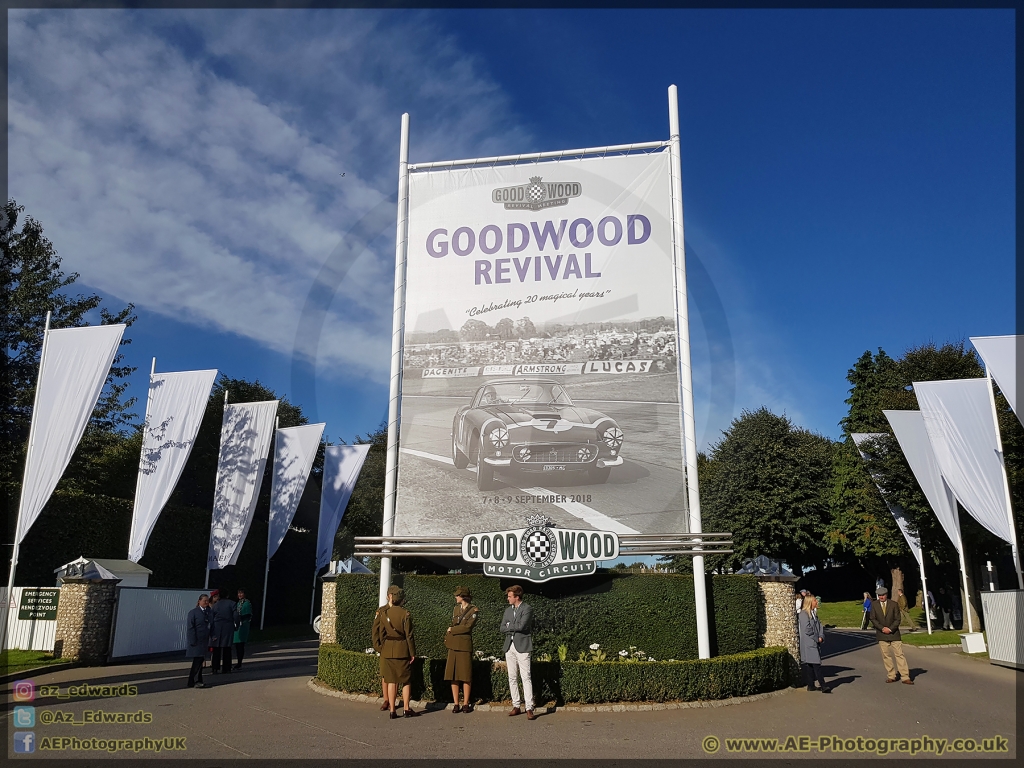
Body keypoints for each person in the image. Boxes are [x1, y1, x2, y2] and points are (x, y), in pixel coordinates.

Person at [379, 585, 418, 719]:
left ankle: (392, 710)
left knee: (391, 681)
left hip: (388, 649)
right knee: (406, 680)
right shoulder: (405, 614)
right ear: (401, 599)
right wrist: (412, 652)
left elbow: (381, 634)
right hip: (402, 649)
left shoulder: (384, 614)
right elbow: (409, 636)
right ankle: (406, 709)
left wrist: (384, 647)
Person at [501, 585, 535, 720]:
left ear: (517, 597)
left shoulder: (527, 608)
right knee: (512, 677)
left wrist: (510, 626)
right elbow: (502, 627)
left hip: (523, 646)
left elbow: (522, 626)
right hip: (509, 646)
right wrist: (510, 626)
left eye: (509, 596)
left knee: (525, 677)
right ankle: (516, 705)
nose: (508, 598)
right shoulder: (507, 611)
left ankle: (529, 707)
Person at [445, 586, 479, 713]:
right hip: (453, 644)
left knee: (465, 675)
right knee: (453, 675)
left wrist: (452, 630)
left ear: (463, 596)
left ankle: (465, 703)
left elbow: (467, 627)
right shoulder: (456, 609)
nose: (455, 597)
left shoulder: (473, 610)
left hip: (464, 645)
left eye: (457, 595)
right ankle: (456, 703)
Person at [869, 586, 912, 685]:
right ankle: (891, 675)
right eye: (879, 596)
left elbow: (897, 619)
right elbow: (873, 618)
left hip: (894, 634)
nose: (881, 597)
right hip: (881, 634)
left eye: (883, 595)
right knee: (886, 656)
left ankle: (905, 676)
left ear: (886, 595)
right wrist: (882, 628)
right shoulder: (874, 605)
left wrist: (890, 629)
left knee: (899, 655)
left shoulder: (894, 604)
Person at [798, 596, 830, 693]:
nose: (817, 602)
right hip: (809, 643)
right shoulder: (803, 614)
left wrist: (821, 636)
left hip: (814, 642)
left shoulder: (814, 613)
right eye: (815, 600)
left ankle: (810, 685)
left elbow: (819, 626)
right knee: (816, 664)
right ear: (810, 602)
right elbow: (807, 629)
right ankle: (823, 685)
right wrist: (816, 638)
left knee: (810, 665)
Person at [209, 590, 239, 674]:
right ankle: (226, 668)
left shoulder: (216, 605)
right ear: (228, 595)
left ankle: (215, 668)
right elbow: (236, 615)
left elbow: (211, 616)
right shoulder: (232, 603)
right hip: (228, 626)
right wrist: (236, 625)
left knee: (216, 648)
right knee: (227, 648)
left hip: (217, 626)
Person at [185, 594, 211, 688]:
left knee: (200, 660)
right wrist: (192, 640)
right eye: (205, 601)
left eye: (208, 601)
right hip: (196, 640)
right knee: (198, 660)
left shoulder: (209, 612)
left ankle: (196, 680)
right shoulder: (193, 612)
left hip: (205, 640)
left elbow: (212, 624)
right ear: (199, 601)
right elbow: (190, 627)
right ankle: (194, 680)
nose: (206, 603)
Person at [371, 603, 389, 711]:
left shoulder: (401, 610)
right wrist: (377, 646)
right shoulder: (381, 611)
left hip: (396, 648)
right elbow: (375, 629)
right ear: (388, 597)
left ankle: (391, 699)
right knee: (385, 674)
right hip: (385, 647)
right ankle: (386, 700)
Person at [233, 588, 253, 669]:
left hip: (243, 625)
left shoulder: (247, 603)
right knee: (237, 645)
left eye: (241, 593)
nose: (239, 595)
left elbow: (248, 614)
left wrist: (239, 618)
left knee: (241, 645)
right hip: (237, 626)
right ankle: (238, 661)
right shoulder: (238, 603)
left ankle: (239, 662)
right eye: (238, 593)